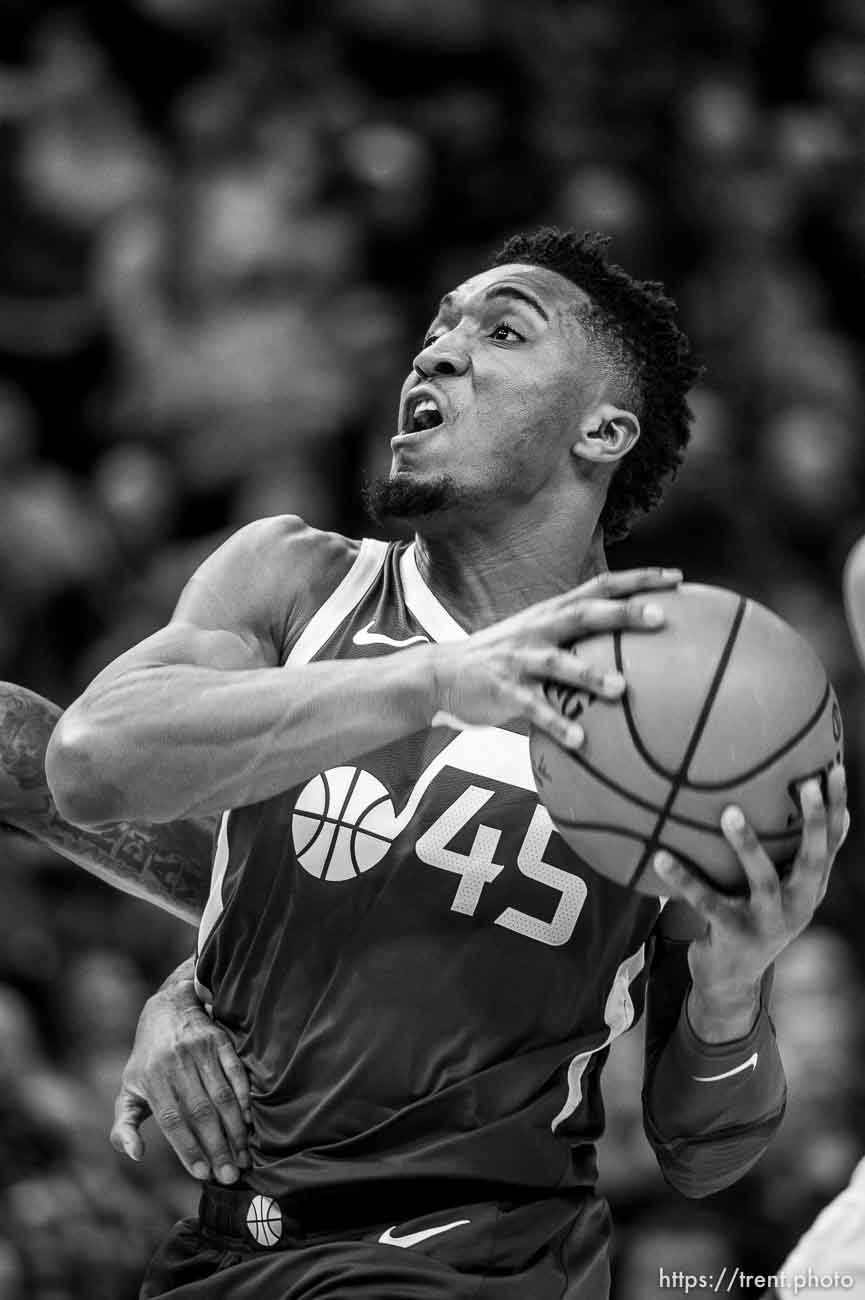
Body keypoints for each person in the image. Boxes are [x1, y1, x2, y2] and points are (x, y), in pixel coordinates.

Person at [37, 228, 849, 1299]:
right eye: (435, 331)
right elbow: (87, 762)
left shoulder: (682, 695)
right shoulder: (293, 580)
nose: (434, 353)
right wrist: (195, 982)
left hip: (485, 1258)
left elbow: (706, 1154)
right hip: (229, 1251)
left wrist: (733, 986)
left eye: (501, 330)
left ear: (602, 430)